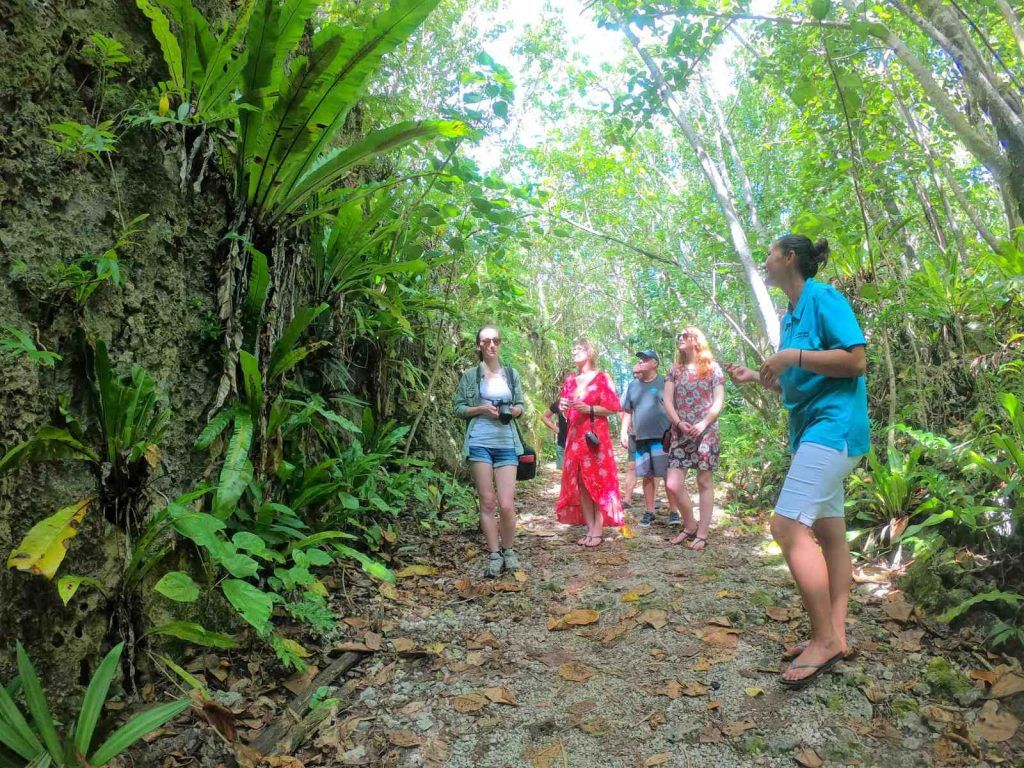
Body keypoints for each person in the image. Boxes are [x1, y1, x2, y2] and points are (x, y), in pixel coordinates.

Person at [726, 234, 868, 690]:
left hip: (836, 428)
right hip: (811, 427)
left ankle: (823, 639)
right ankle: (837, 633)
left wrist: (791, 356)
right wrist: (761, 376)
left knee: (786, 526)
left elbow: (856, 361)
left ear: (789, 258)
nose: (765, 261)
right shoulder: (789, 318)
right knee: (828, 530)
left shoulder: (824, 298)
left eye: (770, 253)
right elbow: (799, 386)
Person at [453, 324, 527, 578]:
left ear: (500, 343)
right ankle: (494, 553)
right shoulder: (470, 376)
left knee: (506, 504)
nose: (491, 345)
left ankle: (509, 550)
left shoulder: (511, 374)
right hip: (479, 442)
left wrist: (514, 410)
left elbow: (520, 405)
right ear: (479, 346)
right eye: (486, 341)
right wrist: (482, 409)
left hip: (507, 442)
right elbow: (458, 408)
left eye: (495, 340)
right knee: (487, 501)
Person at [555, 339, 623, 547]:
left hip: (595, 438)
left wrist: (590, 409)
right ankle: (589, 528)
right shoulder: (570, 381)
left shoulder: (602, 378)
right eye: (573, 348)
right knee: (582, 483)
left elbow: (613, 408)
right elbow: (565, 411)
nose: (575, 351)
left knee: (598, 482)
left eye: (580, 349)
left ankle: (598, 530)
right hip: (575, 438)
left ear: (590, 353)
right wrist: (563, 406)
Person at [663, 327, 725, 552]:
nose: (680, 338)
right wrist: (679, 422)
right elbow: (667, 401)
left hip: (705, 432)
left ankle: (702, 533)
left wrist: (702, 423)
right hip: (680, 432)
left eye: (685, 335)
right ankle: (689, 523)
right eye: (678, 335)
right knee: (673, 483)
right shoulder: (675, 371)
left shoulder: (712, 369)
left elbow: (718, 402)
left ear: (696, 340)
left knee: (704, 481)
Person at [621, 350, 679, 527]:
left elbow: (676, 407)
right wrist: (624, 431)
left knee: (668, 475)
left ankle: (674, 512)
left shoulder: (666, 382)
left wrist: (677, 430)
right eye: (640, 359)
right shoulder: (632, 385)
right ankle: (649, 511)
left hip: (663, 437)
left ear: (655, 363)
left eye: (645, 359)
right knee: (647, 475)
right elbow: (628, 411)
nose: (641, 361)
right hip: (641, 437)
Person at [618, 363, 642, 508]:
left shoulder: (660, 384)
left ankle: (650, 503)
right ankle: (627, 499)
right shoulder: (630, 388)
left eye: (637, 372)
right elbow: (620, 409)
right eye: (633, 373)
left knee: (653, 471)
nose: (635, 375)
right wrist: (626, 427)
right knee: (632, 466)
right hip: (634, 435)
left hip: (654, 436)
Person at [541, 387, 569, 470]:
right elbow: (544, 417)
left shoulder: (581, 403)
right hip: (562, 444)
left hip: (578, 444)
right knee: (563, 474)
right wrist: (555, 428)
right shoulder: (559, 404)